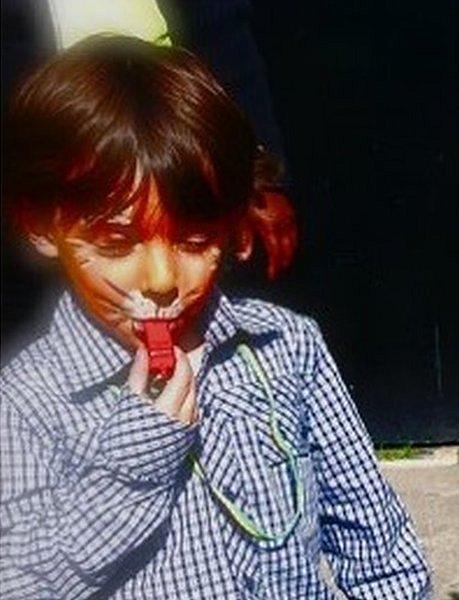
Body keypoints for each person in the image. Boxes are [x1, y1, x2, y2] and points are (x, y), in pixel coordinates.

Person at [0, 35, 431, 599]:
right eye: (116, 242)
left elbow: (378, 546)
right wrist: (138, 458)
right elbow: (21, 582)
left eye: (195, 239)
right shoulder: (28, 397)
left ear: (233, 227)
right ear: (40, 225)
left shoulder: (285, 348)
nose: (160, 279)